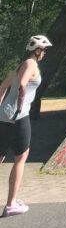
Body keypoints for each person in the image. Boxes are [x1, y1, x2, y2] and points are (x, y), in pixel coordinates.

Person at [0, 34, 52, 218]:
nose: (44, 53)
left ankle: (12, 202)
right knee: (21, 158)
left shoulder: (19, 65)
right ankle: (11, 204)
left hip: (4, 117)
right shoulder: (31, 64)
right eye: (44, 50)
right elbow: (22, 85)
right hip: (18, 116)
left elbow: (3, 86)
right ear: (37, 51)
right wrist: (20, 106)